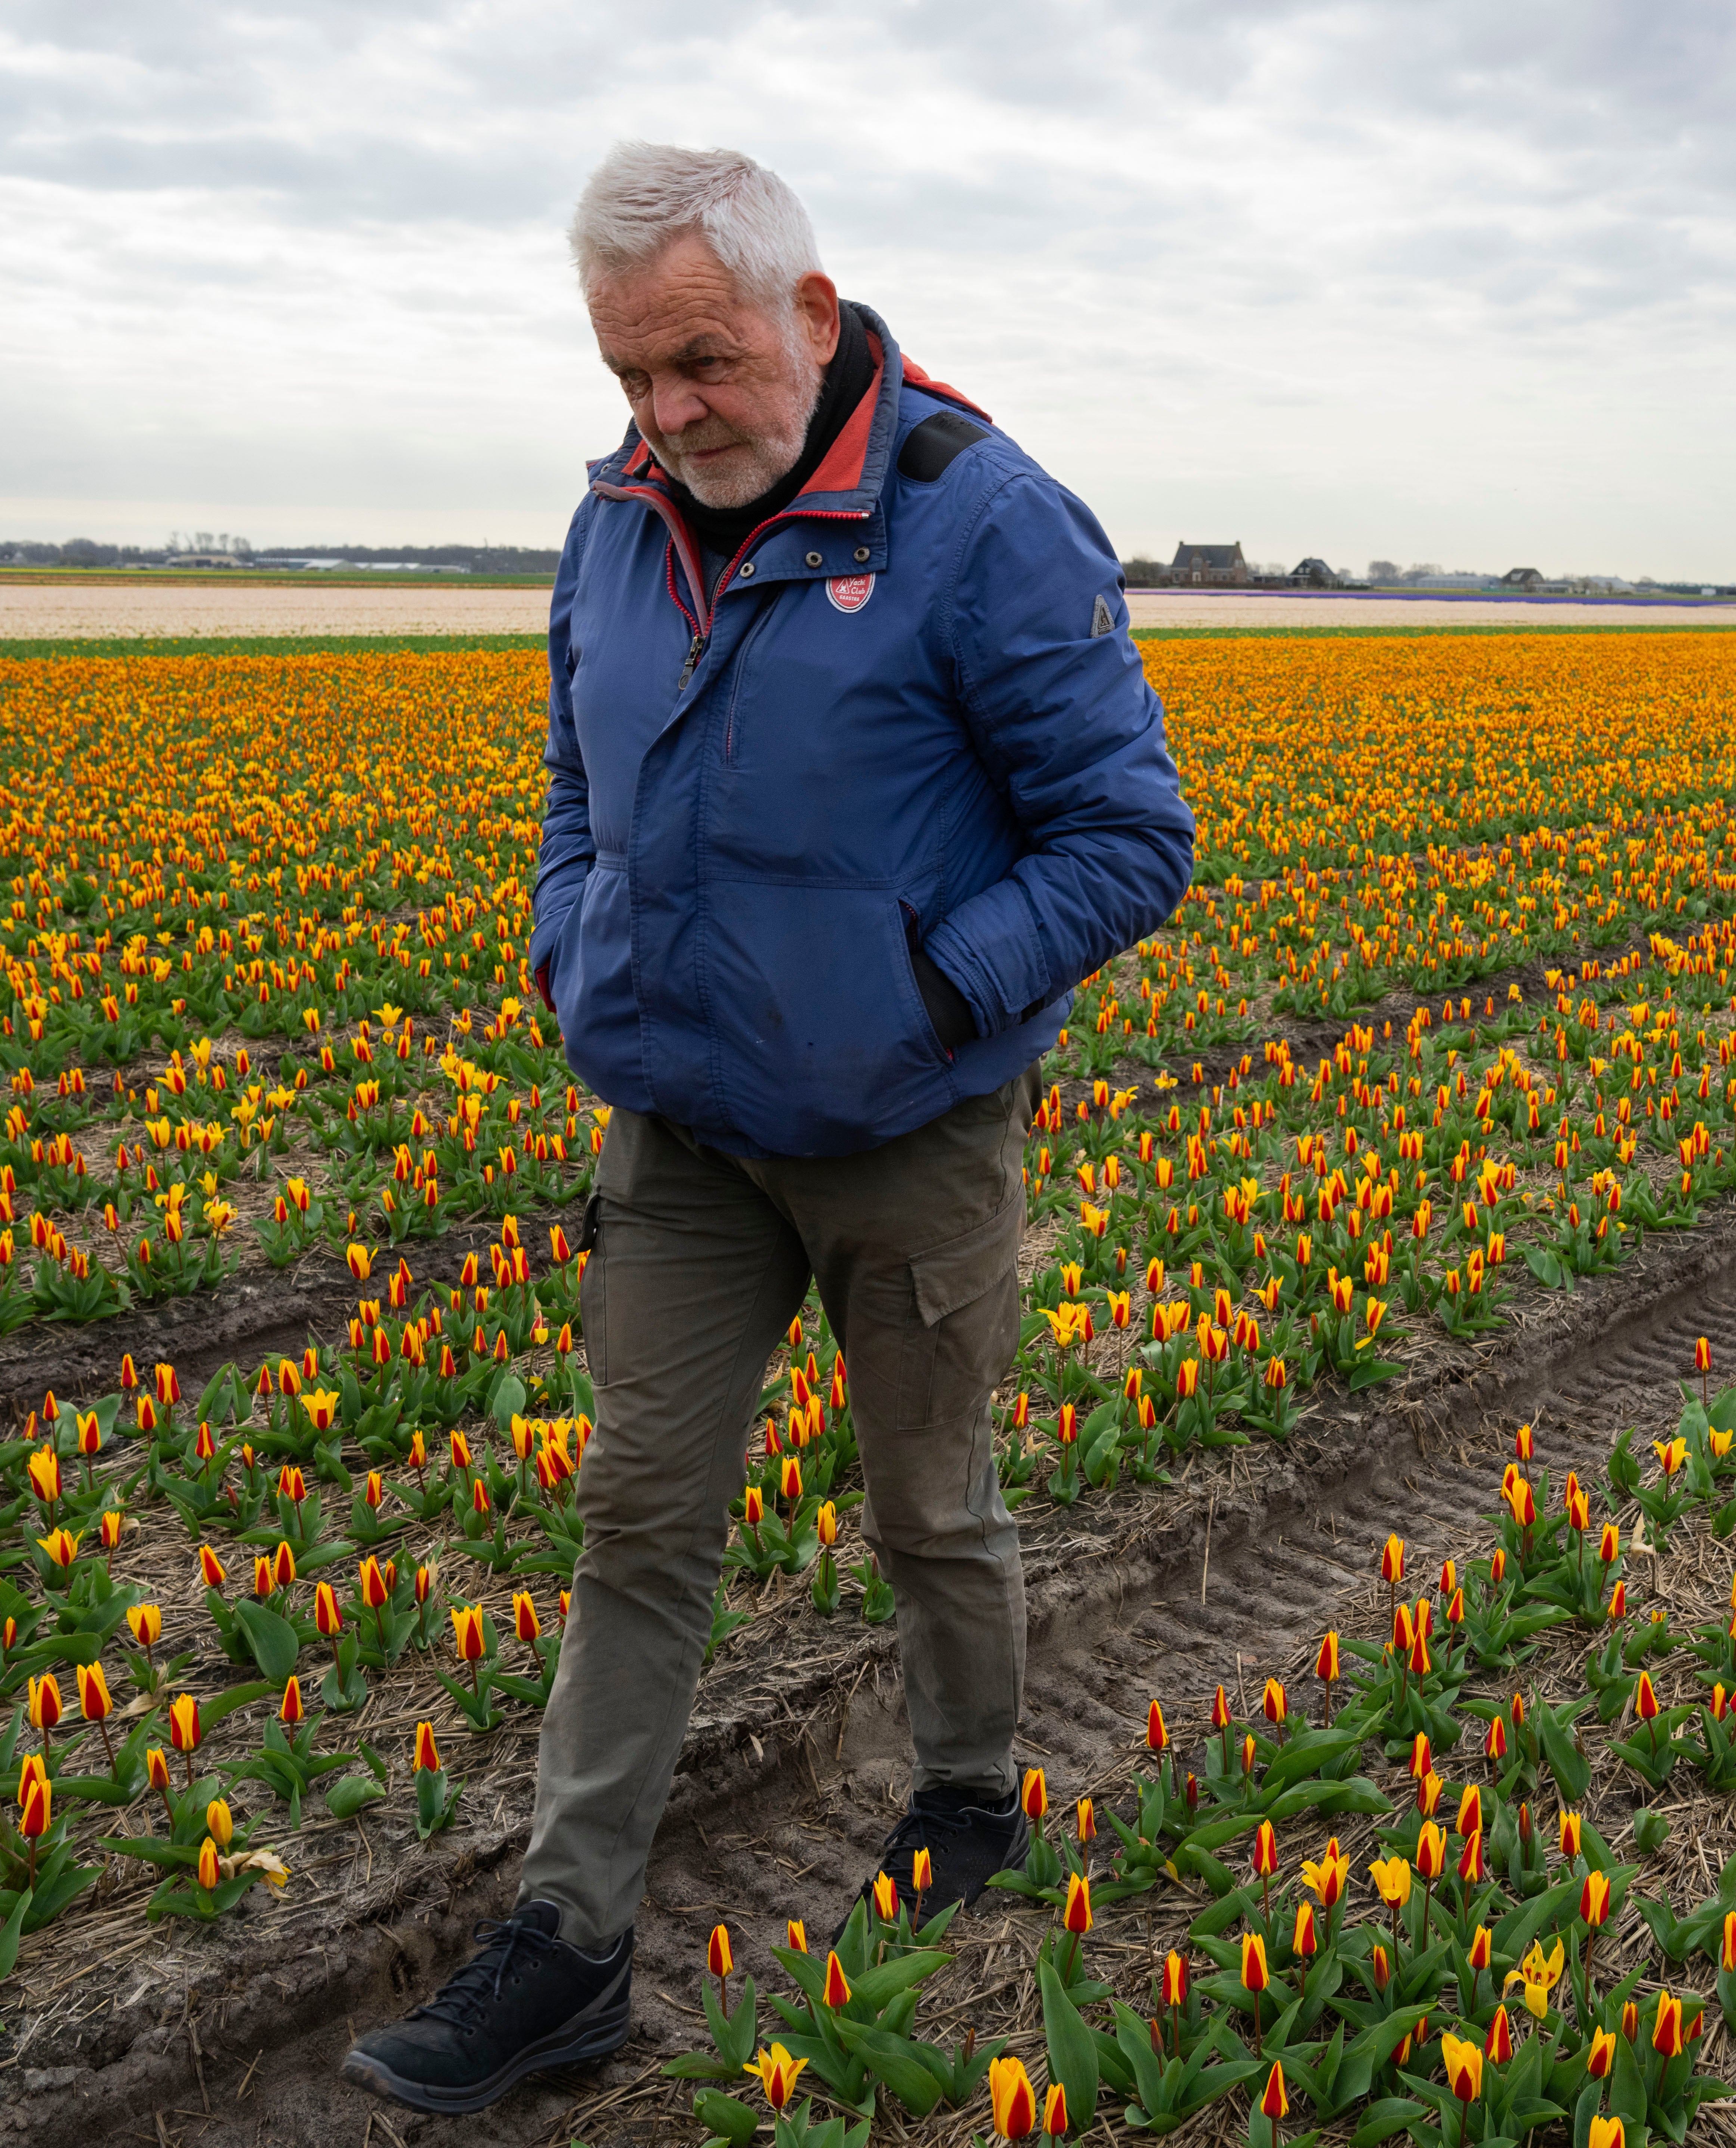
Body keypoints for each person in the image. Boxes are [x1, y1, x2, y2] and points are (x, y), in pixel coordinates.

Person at [342, 142, 1195, 2117]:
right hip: (680, 1131)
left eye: (702, 364)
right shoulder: (615, 529)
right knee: (637, 1523)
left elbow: (1130, 835)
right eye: (629, 374)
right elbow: (574, 779)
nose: (665, 414)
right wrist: (573, 941)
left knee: (929, 1501)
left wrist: (931, 990)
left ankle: (969, 1787)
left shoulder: (980, 524)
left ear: (814, 317)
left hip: (902, 1129)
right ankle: (566, 1954)